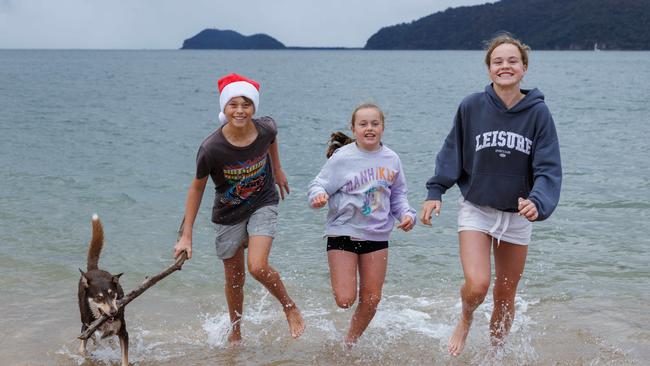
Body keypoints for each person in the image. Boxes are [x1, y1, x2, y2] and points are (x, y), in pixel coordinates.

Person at [420, 34, 562, 356]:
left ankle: (496, 355)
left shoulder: (538, 113)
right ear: (489, 69)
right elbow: (452, 151)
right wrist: (435, 191)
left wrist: (537, 202)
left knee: (505, 293)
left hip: (517, 214)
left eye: (513, 61)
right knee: (478, 285)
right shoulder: (471, 106)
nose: (505, 66)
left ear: (524, 68)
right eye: (498, 61)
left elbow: (548, 167)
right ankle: (466, 317)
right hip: (477, 209)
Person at [173, 73, 305, 343]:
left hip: (263, 201)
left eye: (246, 104)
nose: (240, 110)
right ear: (224, 108)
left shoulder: (265, 127)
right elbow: (196, 189)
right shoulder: (211, 148)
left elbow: (272, 140)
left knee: (257, 266)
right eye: (233, 104)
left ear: (254, 107)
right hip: (228, 213)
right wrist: (186, 235)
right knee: (235, 280)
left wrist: (277, 170)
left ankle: (289, 307)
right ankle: (236, 332)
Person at [308, 103, 416, 345]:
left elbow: (398, 196)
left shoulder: (392, 159)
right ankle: (342, 281)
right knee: (345, 300)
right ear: (353, 128)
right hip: (343, 232)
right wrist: (317, 198)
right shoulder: (342, 158)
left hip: (377, 237)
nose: (369, 128)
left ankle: (349, 343)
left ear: (383, 128)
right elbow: (318, 185)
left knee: (371, 299)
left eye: (375, 124)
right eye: (363, 124)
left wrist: (407, 216)